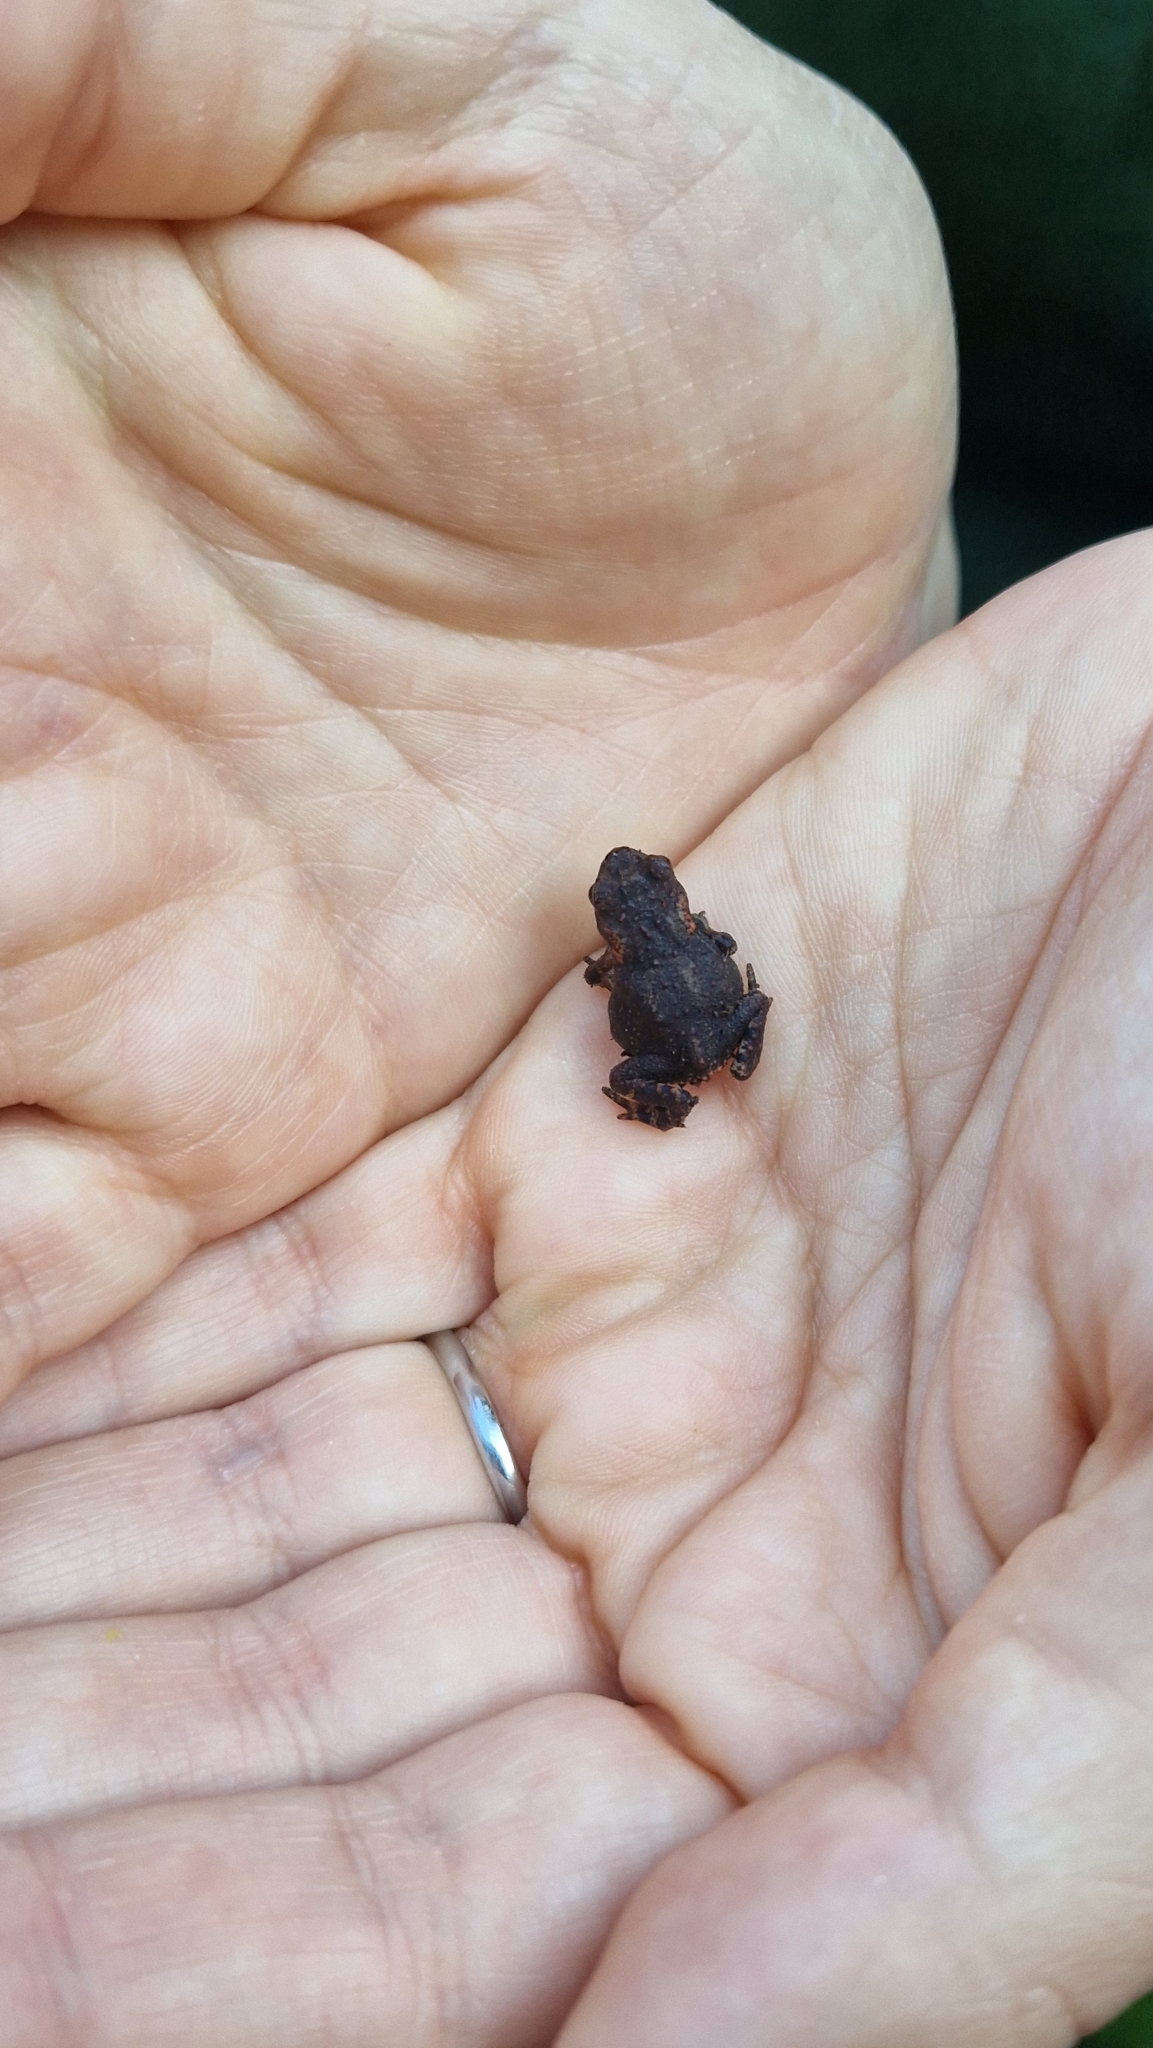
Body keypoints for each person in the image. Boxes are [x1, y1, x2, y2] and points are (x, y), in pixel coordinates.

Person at [0, 0, 1149, 2040]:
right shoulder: (673, 944)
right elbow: (706, 975)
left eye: (622, 915)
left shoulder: (637, 961)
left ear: (630, 926)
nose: (622, 915)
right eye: (626, 915)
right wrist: (710, 1024)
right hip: (790, 920)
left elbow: (665, 985)